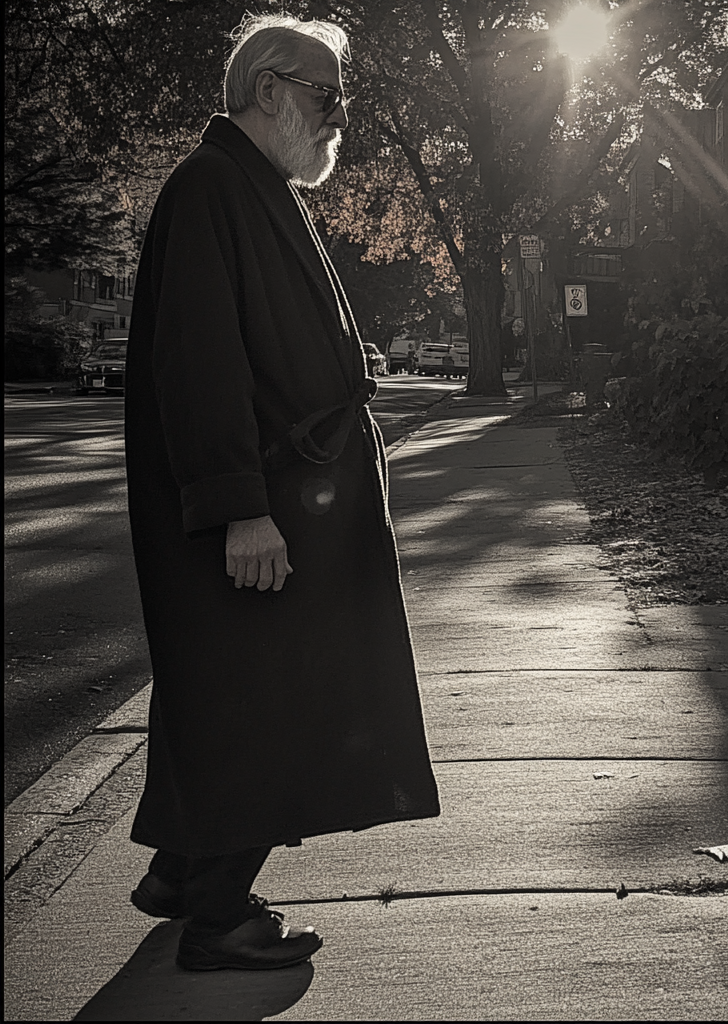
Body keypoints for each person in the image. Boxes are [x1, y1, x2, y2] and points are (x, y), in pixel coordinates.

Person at [124, 14, 440, 972]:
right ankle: (220, 917)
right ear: (270, 89)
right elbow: (201, 363)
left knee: (231, 693)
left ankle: (183, 872)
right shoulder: (212, 187)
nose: (340, 117)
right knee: (270, 697)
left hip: (291, 500)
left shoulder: (246, 185)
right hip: (264, 511)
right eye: (327, 94)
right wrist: (241, 509)